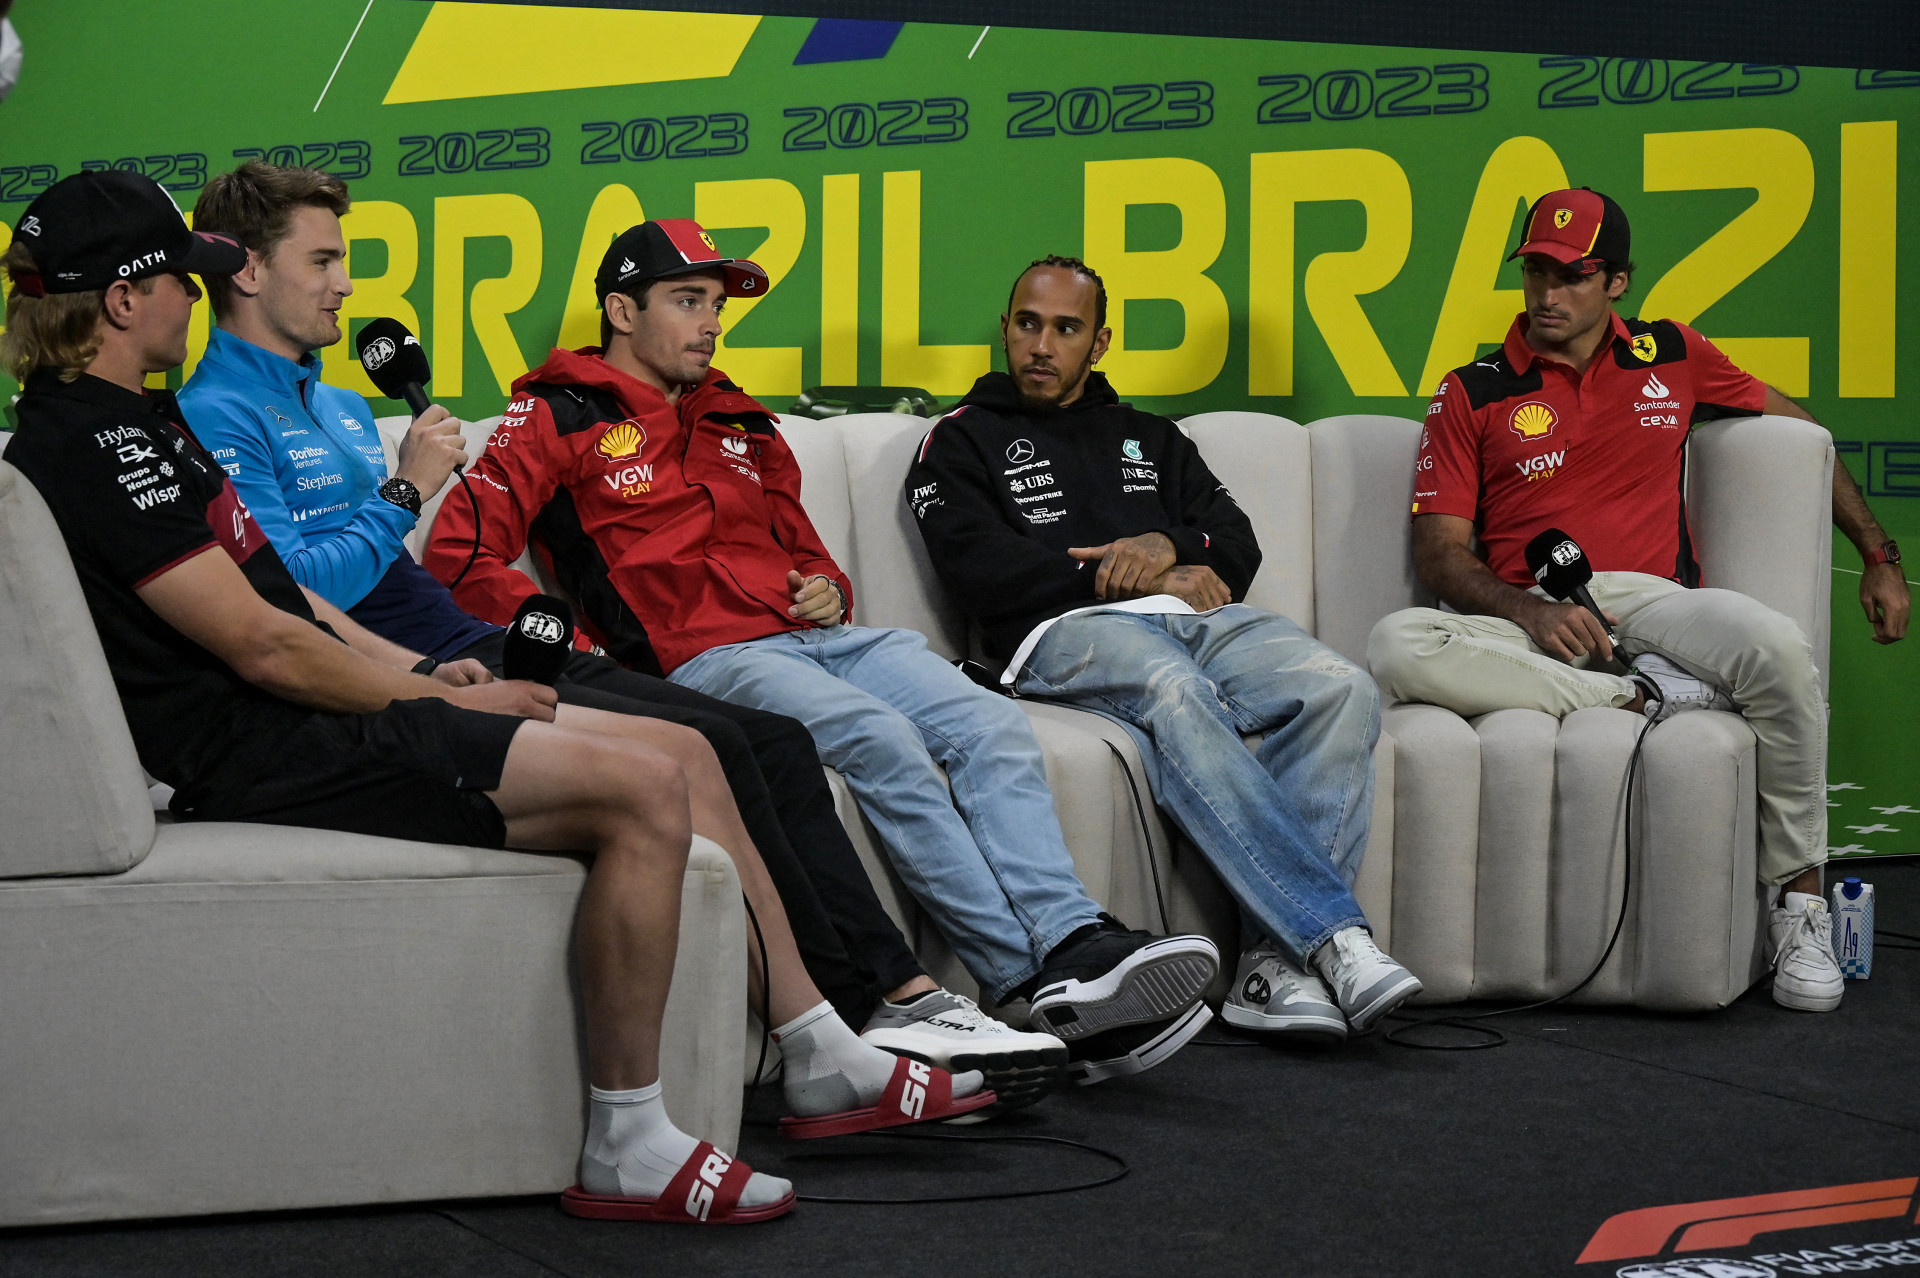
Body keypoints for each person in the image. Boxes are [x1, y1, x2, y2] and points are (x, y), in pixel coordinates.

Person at [1, 170, 992, 1226]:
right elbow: (266, 650)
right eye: (178, 283)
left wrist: (426, 677)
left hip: (324, 708)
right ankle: (632, 1137)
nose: (193, 302)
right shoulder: (95, 446)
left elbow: (286, 604)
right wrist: (434, 696)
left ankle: (818, 1050)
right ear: (119, 299)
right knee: (651, 786)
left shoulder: (138, 423)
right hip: (270, 749)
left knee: (693, 757)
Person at [173, 163, 1064, 1107]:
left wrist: (818, 593)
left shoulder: (346, 405)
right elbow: (288, 596)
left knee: (772, 743)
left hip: (469, 639)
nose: (347, 283)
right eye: (324, 260)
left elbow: (387, 578)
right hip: (428, 666)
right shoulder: (215, 412)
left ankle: (895, 1002)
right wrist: (409, 503)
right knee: (734, 738)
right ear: (247, 274)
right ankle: (867, 1011)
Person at [422, 219, 1222, 1085]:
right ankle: (1024, 980)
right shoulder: (556, 412)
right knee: (880, 739)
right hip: (708, 658)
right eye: (688, 302)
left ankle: (1073, 938)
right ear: (621, 308)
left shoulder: (741, 419)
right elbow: (462, 557)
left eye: (717, 306)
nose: (711, 323)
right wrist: (578, 651)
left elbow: (804, 547)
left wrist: (825, 584)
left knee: (987, 721)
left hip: (824, 636)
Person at [1364, 187, 1911, 1014]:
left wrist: (1878, 553)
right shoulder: (1471, 389)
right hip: (1518, 614)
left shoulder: (1672, 353)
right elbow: (1439, 554)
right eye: (1537, 272)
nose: (1549, 295)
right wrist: (1531, 612)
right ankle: (1640, 693)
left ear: (1617, 281)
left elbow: (1804, 435)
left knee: (1779, 648)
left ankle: (1799, 907)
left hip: (1653, 602)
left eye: (1573, 276)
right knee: (1398, 644)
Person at [906, 256, 1423, 1042]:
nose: (1041, 345)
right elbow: (980, 570)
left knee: (1339, 684)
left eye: (1066, 328)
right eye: (1027, 324)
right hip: (1059, 634)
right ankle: (1330, 938)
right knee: (1173, 686)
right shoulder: (960, 438)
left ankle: (1269, 969)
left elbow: (1235, 541)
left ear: (1100, 342)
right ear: (1007, 328)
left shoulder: (1151, 436)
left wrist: (1163, 545)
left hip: (1190, 618)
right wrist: (1120, 577)